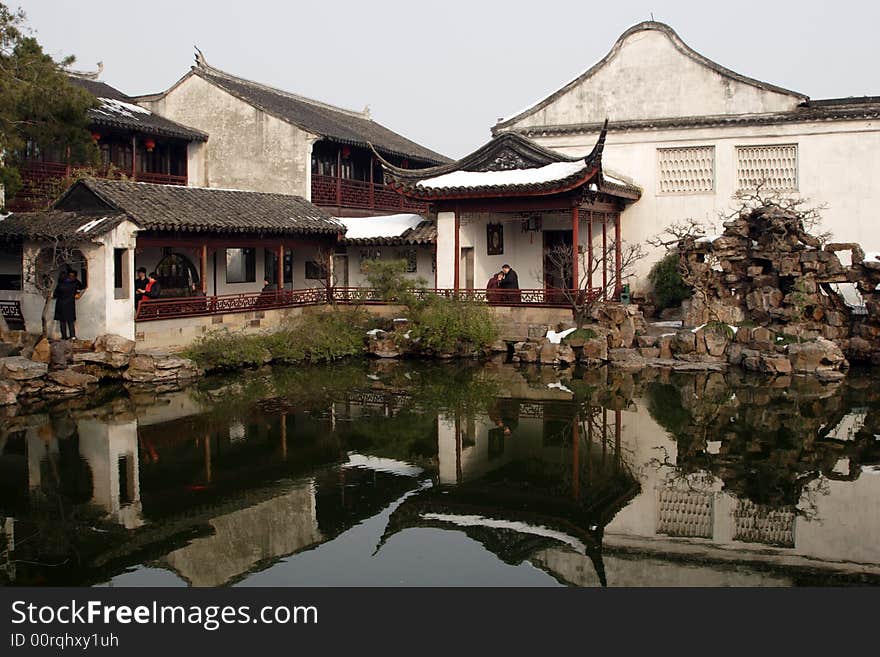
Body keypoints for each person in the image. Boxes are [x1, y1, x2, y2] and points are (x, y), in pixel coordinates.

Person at [53, 269, 84, 340]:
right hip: (70, 305)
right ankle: (72, 336)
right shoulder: (73, 285)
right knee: (70, 322)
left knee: (62, 322)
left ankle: (64, 337)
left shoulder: (59, 285)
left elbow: (55, 295)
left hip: (60, 306)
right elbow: (79, 290)